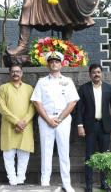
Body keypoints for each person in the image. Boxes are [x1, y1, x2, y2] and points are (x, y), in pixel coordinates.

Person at [31, 51, 80, 192]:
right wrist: (48, 120)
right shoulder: (41, 82)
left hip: (62, 120)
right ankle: (45, 182)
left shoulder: (68, 81)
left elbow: (72, 103)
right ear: (48, 64)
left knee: (64, 151)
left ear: (61, 64)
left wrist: (59, 119)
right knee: (46, 151)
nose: (54, 64)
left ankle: (67, 183)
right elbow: (37, 102)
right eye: (51, 62)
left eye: (57, 62)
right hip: (46, 119)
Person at [76, 63, 111, 192]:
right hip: (89, 126)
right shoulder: (83, 89)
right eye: (94, 72)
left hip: (105, 126)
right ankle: (88, 184)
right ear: (90, 74)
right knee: (89, 156)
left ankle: (104, 183)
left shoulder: (109, 88)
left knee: (104, 156)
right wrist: (80, 125)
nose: (96, 74)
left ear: (101, 74)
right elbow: (79, 110)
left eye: (98, 72)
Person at [0, 64, 35, 185]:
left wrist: (23, 122)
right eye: (13, 71)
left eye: (18, 71)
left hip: (26, 125)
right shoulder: (3, 88)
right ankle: (12, 179)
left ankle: (21, 178)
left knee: (24, 153)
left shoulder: (29, 88)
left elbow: (33, 107)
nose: (15, 73)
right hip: (9, 126)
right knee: (8, 154)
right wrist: (16, 121)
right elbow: (1, 108)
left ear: (22, 73)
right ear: (9, 73)